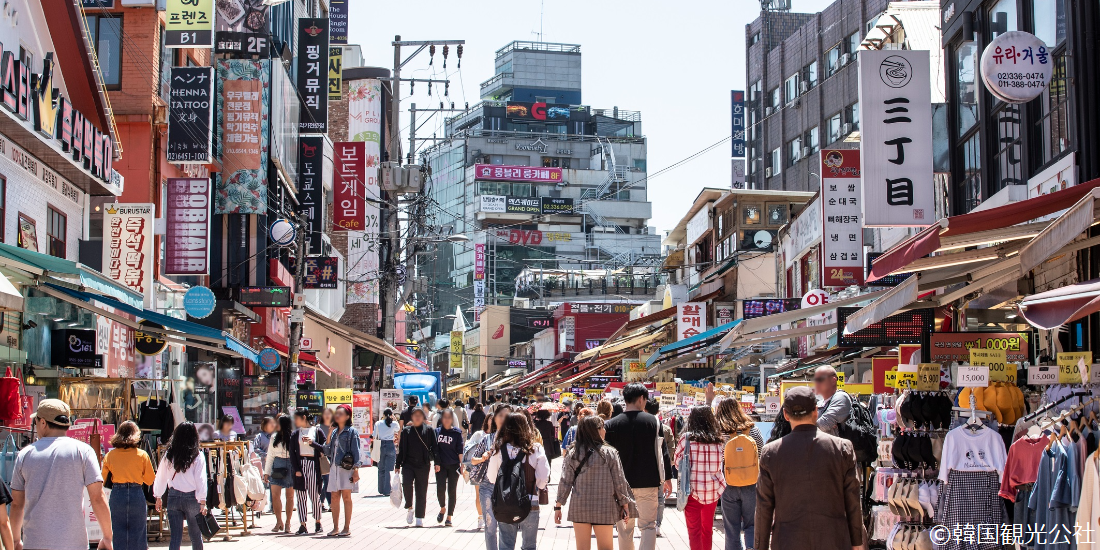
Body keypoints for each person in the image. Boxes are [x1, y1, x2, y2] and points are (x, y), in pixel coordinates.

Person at [755, 387, 863, 550]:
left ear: (785, 414)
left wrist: (760, 546)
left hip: (787, 541)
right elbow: (853, 502)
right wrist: (857, 543)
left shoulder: (771, 453)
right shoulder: (842, 448)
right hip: (834, 540)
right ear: (815, 411)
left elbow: (764, 507)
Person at [10, 399, 111, 550]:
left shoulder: (25, 455)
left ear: (43, 423)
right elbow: (97, 498)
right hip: (74, 543)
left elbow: (17, 504)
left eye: (36, 422)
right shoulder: (83, 451)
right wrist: (107, 537)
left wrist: (16, 540)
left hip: (35, 542)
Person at [603, 383, 673, 550]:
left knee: (625, 528)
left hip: (621, 485)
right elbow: (662, 452)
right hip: (648, 481)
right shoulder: (654, 422)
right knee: (648, 526)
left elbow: (607, 458)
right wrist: (668, 478)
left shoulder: (611, 425)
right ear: (642, 399)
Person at [554, 415, 636, 550]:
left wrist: (558, 506)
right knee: (605, 547)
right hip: (604, 506)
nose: (604, 431)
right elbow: (619, 481)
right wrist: (625, 504)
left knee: (582, 547)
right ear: (597, 431)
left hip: (580, 506)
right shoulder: (610, 452)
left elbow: (565, 481)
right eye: (602, 427)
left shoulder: (573, 453)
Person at [486, 413, 550, 550]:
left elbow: (491, 477)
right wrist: (537, 486)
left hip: (505, 502)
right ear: (526, 427)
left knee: (506, 545)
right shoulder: (536, 449)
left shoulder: (499, 450)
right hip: (530, 501)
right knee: (529, 546)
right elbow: (544, 478)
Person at [714, 398, 764, 550]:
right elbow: (761, 453)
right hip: (751, 483)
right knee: (752, 524)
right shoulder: (752, 429)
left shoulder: (719, 431)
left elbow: (718, 458)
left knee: (731, 528)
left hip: (729, 484)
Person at [675, 406, 727, 550]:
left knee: (694, 532)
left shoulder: (686, 439)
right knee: (707, 530)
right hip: (713, 491)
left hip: (692, 491)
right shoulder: (718, 440)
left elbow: (678, 463)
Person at [152, 422, 208, 550]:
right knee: (195, 535)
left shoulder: (169, 454)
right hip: (192, 497)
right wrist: (202, 500)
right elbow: (201, 479)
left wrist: (158, 496)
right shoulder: (197, 455)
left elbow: (160, 476)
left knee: (175, 537)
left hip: (174, 496)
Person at [101, 420, 156, 550]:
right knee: (138, 532)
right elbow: (150, 480)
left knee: (118, 532)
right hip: (136, 493)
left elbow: (102, 479)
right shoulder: (142, 455)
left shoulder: (110, 455)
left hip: (117, 495)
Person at [471, 404, 512, 547]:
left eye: (506, 416)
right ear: (494, 419)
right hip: (487, 486)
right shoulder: (487, 439)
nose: (503, 419)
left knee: (506, 527)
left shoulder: (515, 440)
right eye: (500, 415)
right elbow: (473, 460)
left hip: (508, 486)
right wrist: (482, 458)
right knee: (490, 526)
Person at [395, 408, 437, 527]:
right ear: (412, 417)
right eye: (415, 415)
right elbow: (401, 449)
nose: (417, 417)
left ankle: (419, 517)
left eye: (420, 415)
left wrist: (437, 463)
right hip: (408, 464)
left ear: (423, 417)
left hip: (423, 465)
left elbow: (435, 447)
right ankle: (410, 507)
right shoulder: (406, 431)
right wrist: (397, 464)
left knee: (421, 490)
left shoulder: (429, 430)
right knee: (407, 485)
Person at [324, 404, 361, 537]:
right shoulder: (334, 432)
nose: (337, 415)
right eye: (337, 413)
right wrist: (328, 434)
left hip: (347, 468)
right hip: (334, 467)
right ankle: (335, 527)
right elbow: (327, 451)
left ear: (347, 416)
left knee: (346, 497)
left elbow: (357, 451)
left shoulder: (352, 432)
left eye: (340, 413)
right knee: (334, 497)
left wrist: (356, 470)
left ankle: (346, 527)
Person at [291, 410, 326, 534]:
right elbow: (292, 454)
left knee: (314, 495)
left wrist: (312, 443)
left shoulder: (316, 431)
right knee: (301, 496)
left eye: (297, 418)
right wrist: (296, 469)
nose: (295, 421)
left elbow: (325, 448)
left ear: (304, 417)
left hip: (313, 464)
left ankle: (318, 522)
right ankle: (303, 524)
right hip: (301, 464)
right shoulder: (295, 434)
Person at [644, 399, 674, 537]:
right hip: (660, 468)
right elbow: (670, 451)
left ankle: (646, 524)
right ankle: (657, 525)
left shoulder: (641, 426)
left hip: (644, 468)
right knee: (660, 498)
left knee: (644, 497)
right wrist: (669, 474)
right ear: (659, 411)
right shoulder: (665, 429)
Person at [263, 415, 295, 533]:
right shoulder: (274, 437)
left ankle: (288, 523)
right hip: (277, 464)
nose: (276, 425)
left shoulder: (293, 436)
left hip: (290, 464)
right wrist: (266, 472)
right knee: (275, 495)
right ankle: (279, 521)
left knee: (290, 496)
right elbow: (270, 455)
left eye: (278, 423)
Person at [434, 408, 464, 526]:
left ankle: (449, 517)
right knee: (440, 489)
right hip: (440, 465)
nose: (447, 420)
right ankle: (442, 508)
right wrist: (436, 463)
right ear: (442, 419)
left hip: (454, 465)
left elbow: (460, 450)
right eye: (445, 417)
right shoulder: (437, 432)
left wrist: (462, 465)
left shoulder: (457, 433)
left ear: (452, 419)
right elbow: (434, 449)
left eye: (449, 418)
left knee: (452, 491)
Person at [813, 366, 851, 436]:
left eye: (820, 379)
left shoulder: (841, 397)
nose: (816, 383)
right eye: (815, 380)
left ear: (833, 380)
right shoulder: (819, 403)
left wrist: (811, 425)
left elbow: (823, 424)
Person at [253, 416, 276, 514]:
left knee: (273, 486)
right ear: (265, 425)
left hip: (274, 464)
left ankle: (273, 506)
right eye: (271, 423)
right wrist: (265, 455)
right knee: (262, 486)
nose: (273, 425)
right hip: (262, 464)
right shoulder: (260, 436)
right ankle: (259, 507)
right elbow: (255, 448)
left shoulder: (276, 435)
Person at [373, 408, 399, 496]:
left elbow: (374, 435)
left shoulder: (378, 423)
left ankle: (381, 489)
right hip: (390, 445)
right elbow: (398, 429)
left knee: (381, 468)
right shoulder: (394, 423)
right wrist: (394, 419)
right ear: (391, 415)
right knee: (389, 469)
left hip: (380, 445)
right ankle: (387, 490)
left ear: (383, 415)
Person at [318, 408, 336, 510]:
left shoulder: (335, 427)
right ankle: (328, 503)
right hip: (322, 457)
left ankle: (322, 501)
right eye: (325, 414)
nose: (327, 415)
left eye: (329, 413)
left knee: (329, 481)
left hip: (332, 456)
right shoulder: (318, 428)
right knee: (325, 480)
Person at [533, 409, 561, 475]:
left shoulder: (536, 424)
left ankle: (540, 475)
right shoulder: (549, 424)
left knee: (538, 461)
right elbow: (553, 434)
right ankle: (548, 476)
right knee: (548, 461)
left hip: (539, 444)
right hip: (548, 445)